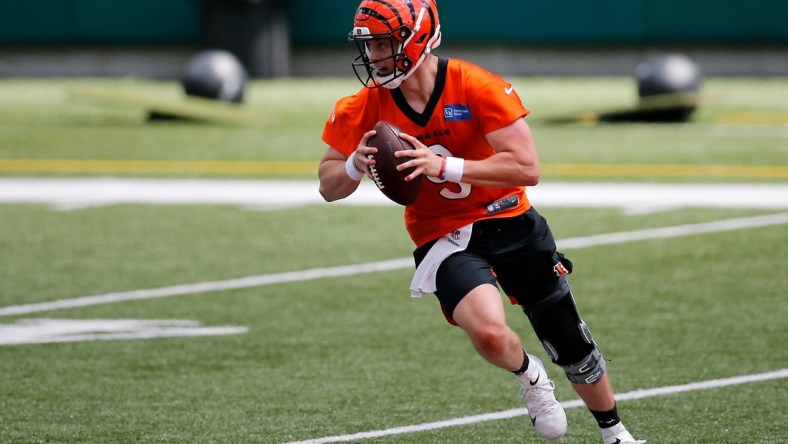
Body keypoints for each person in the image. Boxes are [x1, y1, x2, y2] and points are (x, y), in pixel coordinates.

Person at [318, 1, 645, 443]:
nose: (374, 55)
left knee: (569, 341)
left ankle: (615, 433)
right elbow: (328, 184)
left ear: (419, 39)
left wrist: (446, 168)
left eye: (383, 42)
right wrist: (355, 167)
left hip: (510, 218)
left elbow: (527, 168)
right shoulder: (364, 106)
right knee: (490, 333)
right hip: (445, 234)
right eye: (369, 44)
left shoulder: (474, 85)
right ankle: (530, 376)